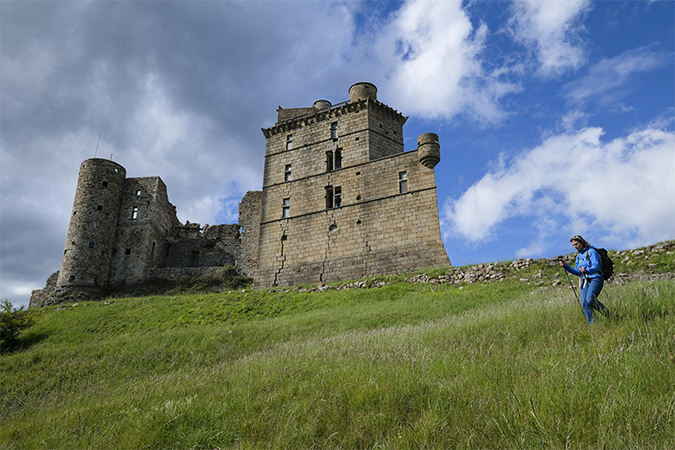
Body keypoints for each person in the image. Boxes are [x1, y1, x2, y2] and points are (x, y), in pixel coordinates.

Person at [559, 235, 609, 324]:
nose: (575, 246)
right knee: (585, 304)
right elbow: (577, 272)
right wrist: (566, 266)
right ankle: (593, 325)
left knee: (590, 300)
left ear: (582, 242)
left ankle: (608, 315)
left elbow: (596, 267)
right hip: (584, 281)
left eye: (576, 244)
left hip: (595, 279)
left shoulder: (591, 251)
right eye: (573, 245)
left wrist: (586, 270)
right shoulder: (578, 257)